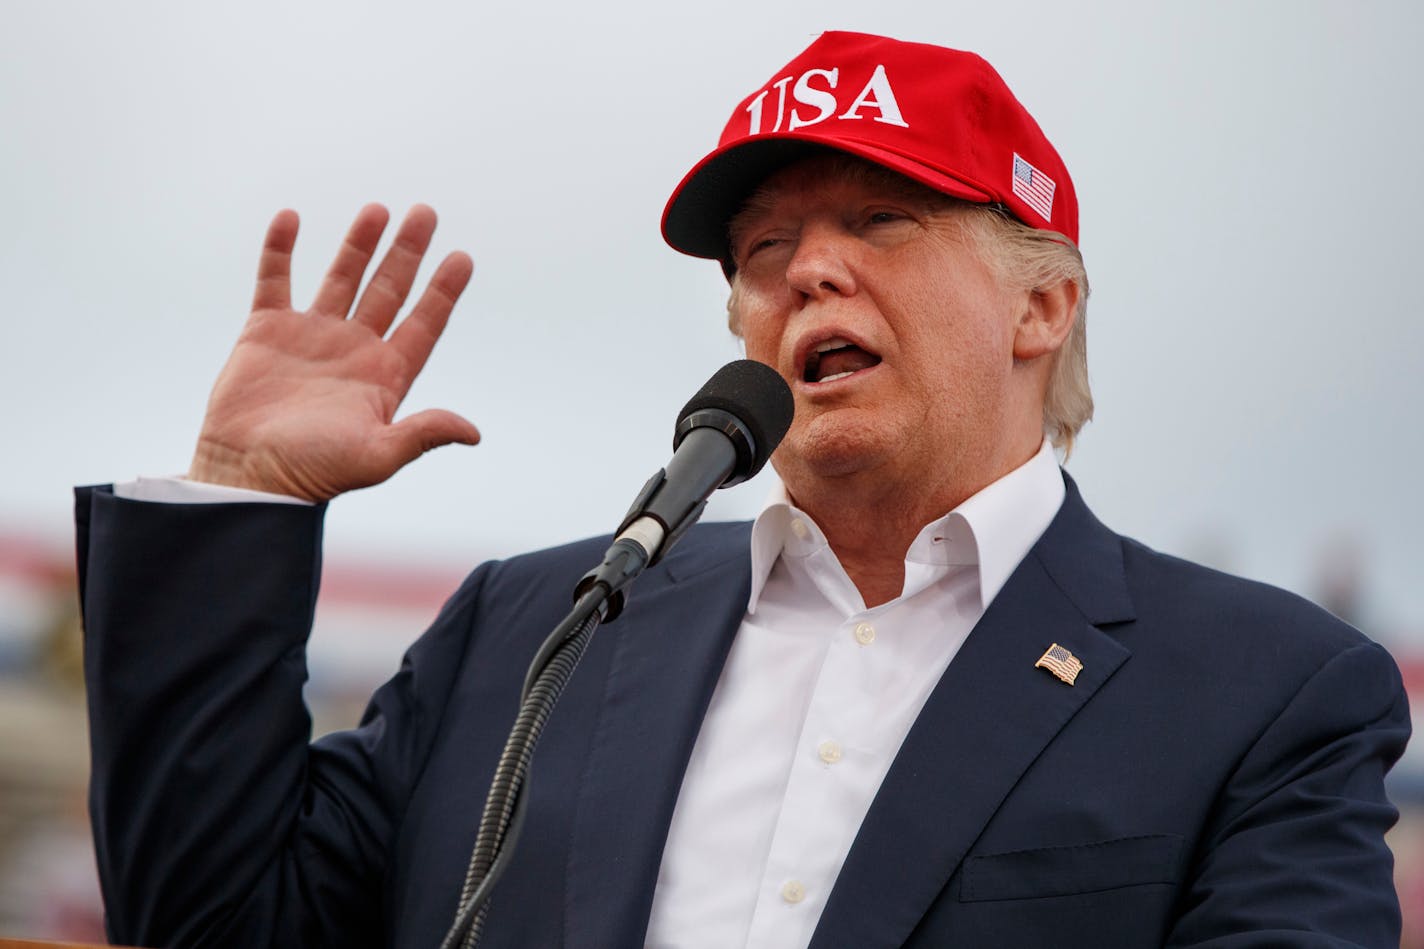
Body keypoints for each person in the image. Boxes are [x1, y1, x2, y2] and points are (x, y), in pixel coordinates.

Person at [76, 30, 1409, 948]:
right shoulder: (534, 629)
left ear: (1043, 304)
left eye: (881, 222)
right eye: (768, 248)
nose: (808, 272)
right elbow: (210, 923)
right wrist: (242, 494)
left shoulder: (1261, 692)